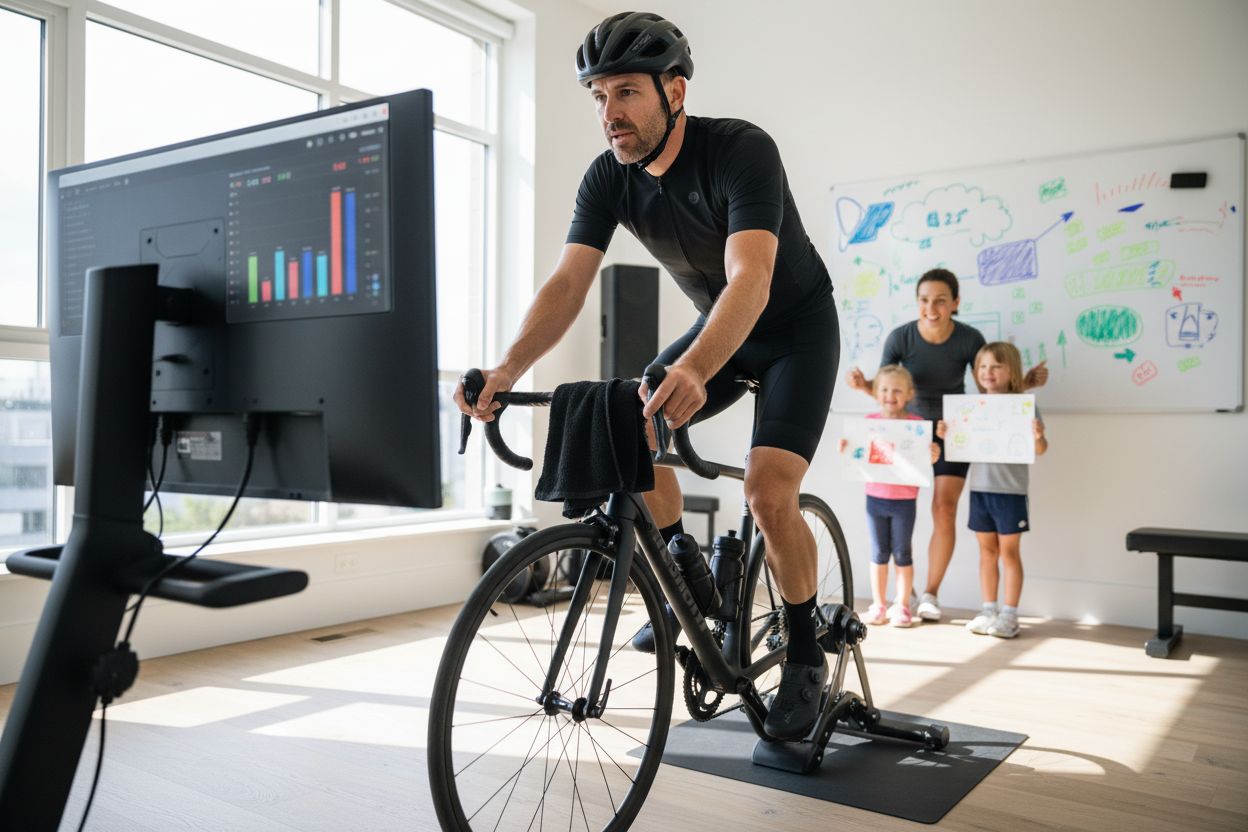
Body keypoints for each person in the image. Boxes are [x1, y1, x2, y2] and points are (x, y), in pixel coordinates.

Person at [453, 12, 839, 742]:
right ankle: (689, 576)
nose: (610, 114)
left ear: (676, 90)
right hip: (719, 325)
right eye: (598, 97)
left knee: (766, 492)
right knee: (627, 422)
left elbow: (750, 278)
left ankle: (804, 649)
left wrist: (694, 368)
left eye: (626, 92)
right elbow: (568, 284)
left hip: (792, 332)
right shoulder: (609, 177)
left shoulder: (741, 151)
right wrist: (507, 368)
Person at [845, 268, 1048, 622]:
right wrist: (865, 387)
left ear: (955, 302)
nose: (931, 307)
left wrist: (1024, 384)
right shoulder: (900, 338)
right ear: (917, 302)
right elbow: (884, 388)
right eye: (924, 299)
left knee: (944, 508)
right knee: (898, 511)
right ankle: (898, 595)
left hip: (955, 432)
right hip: (906, 433)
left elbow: (990, 387)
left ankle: (930, 594)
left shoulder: (970, 338)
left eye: (940, 299)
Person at [937, 342, 1048, 638]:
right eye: (983, 367)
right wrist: (948, 434)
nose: (988, 372)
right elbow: (959, 445)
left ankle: (1009, 615)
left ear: (1012, 371)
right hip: (980, 490)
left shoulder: (1024, 404)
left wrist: (1038, 436)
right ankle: (989, 609)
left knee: (1009, 554)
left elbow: (1040, 449)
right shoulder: (971, 408)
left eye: (996, 366)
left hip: (1010, 492)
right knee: (986, 552)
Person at [841, 365, 940, 628]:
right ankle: (878, 605)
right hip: (875, 497)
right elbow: (857, 455)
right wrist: (848, 448)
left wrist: (932, 455)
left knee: (902, 553)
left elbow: (927, 458)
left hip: (904, 500)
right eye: (884, 389)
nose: (890, 395)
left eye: (897, 390)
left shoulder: (917, 427)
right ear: (875, 392)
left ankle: (903, 606)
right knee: (879, 553)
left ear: (910, 394)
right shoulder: (869, 423)